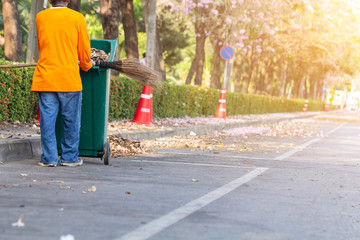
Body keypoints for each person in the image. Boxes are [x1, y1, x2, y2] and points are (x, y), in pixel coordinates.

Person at [31, 0, 94, 167]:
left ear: (50, 0)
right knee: (71, 121)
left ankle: (49, 158)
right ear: (68, 0)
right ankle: (69, 158)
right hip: (68, 77)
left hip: (47, 77)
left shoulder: (41, 17)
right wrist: (87, 65)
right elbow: (84, 48)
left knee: (47, 120)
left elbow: (42, 44)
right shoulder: (77, 17)